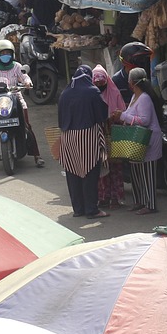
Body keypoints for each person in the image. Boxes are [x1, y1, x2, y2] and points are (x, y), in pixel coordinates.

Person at [0, 39, 43, 169]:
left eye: (8, 53)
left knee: (27, 127)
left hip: (16, 99)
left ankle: (37, 156)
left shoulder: (17, 66)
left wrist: (27, 82)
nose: (5, 56)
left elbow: (24, 77)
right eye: (2, 53)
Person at [58, 65, 109, 219]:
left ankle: (78, 209)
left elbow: (60, 119)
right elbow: (101, 115)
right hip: (88, 136)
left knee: (73, 173)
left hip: (68, 138)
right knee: (90, 173)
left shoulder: (65, 94)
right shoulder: (92, 91)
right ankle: (92, 210)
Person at [111, 67, 165, 215]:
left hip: (147, 141)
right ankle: (139, 201)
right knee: (136, 174)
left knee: (147, 174)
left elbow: (145, 121)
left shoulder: (145, 98)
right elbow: (130, 114)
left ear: (132, 83)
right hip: (136, 142)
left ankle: (150, 205)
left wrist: (123, 116)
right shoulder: (135, 97)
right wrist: (121, 115)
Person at [92, 64, 127, 209]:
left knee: (116, 168)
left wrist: (115, 117)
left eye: (102, 83)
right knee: (102, 169)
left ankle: (116, 198)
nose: (100, 86)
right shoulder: (92, 95)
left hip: (115, 136)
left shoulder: (114, 93)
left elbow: (123, 112)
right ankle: (103, 197)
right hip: (99, 137)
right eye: (97, 83)